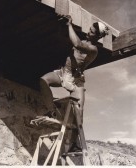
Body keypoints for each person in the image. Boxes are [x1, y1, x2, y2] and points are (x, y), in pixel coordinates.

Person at [39, 15, 109, 151]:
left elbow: (76, 44)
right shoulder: (82, 40)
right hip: (63, 73)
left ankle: (74, 145)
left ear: (98, 37)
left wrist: (70, 24)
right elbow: (73, 41)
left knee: (79, 114)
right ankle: (51, 111)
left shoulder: (93, 50)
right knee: (43, 80)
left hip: (76, 81)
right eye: (89, 30)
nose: (89, 32)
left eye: (92, 32)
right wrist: (62, 25)